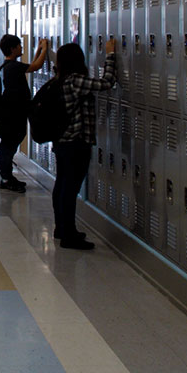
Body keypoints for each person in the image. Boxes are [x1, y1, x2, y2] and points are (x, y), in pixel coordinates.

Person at [52, 39, 117, 249]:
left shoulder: (61, 78)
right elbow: (106, 83)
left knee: (62, 185)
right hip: (75, 143)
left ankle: (62, 228)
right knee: (70, 189)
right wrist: (110, 56)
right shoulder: (76, 80)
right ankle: (68, 235)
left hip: (62, 141)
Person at [0, 33, 48, 192]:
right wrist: (44, 48)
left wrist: (39, 50)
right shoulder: (13, 67)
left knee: (8, 145)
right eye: (19, 45)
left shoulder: (9, 66)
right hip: (12, 114)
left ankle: (7, 176)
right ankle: (6, 178)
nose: (21, 47)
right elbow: (36, 67)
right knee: (8, 146)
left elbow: (31, 65)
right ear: (12, 48)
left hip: (10, 113)